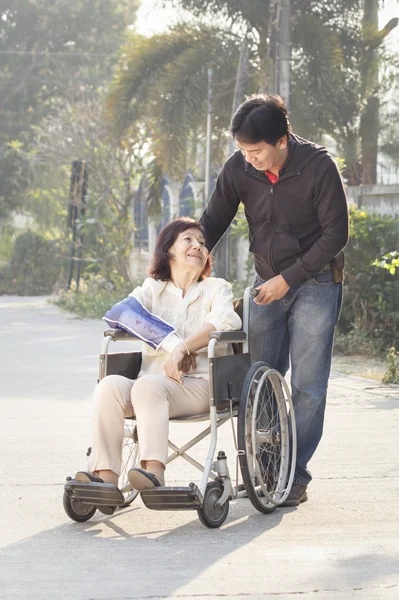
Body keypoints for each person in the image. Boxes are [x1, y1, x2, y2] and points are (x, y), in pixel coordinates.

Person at [200, 94, 348, 507]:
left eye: (256, 151)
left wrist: (290, 278)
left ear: (282, 140)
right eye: (243, 151)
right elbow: (213, 220)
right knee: (259, 380)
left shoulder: (318, 167)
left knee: (307, 386)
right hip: (267, 284)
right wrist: (186, 257)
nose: (249, 160)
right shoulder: (239, 168)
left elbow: (336, 235)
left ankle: (293, 475)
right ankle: (268, 471)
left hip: (317, 283)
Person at [74, 217, 241, 509]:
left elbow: (224, 321)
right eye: (188, 240)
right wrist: (175, 346)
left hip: (200, 385)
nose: (198, 246)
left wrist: (187, 348)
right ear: (169, 249)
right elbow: (121, 313)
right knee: (109, 387)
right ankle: (106, 479)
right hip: (151, 386)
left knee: (147, 387)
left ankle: (154, 472)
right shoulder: (152, 289)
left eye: (202, 243)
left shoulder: (216, 288)